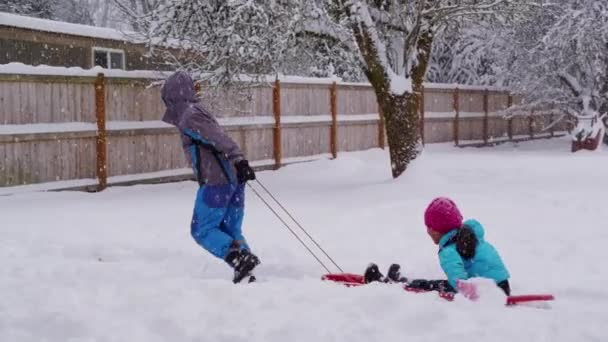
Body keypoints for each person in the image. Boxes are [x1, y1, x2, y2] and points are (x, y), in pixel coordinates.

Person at [161, 71, 260, 283]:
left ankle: (238, 259)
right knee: (229, 228)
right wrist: (238, 163)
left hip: (217, 182)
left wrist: (238, 158)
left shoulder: (190, 116)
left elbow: (218, 139)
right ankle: (245, 269)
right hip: (232, 180)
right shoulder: (197, 111)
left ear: (171, 96)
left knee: (202, 230)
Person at [364, 197, 511, 297]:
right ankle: (402, 280)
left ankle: (396, 284)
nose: (427, 231)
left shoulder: (449, 250)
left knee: (430, 286)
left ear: (436, 230)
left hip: (485, 293)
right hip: (502, 287)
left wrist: (465, 295)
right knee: (440, 284)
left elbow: (460, 284)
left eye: (429, 227)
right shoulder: (471, 236)